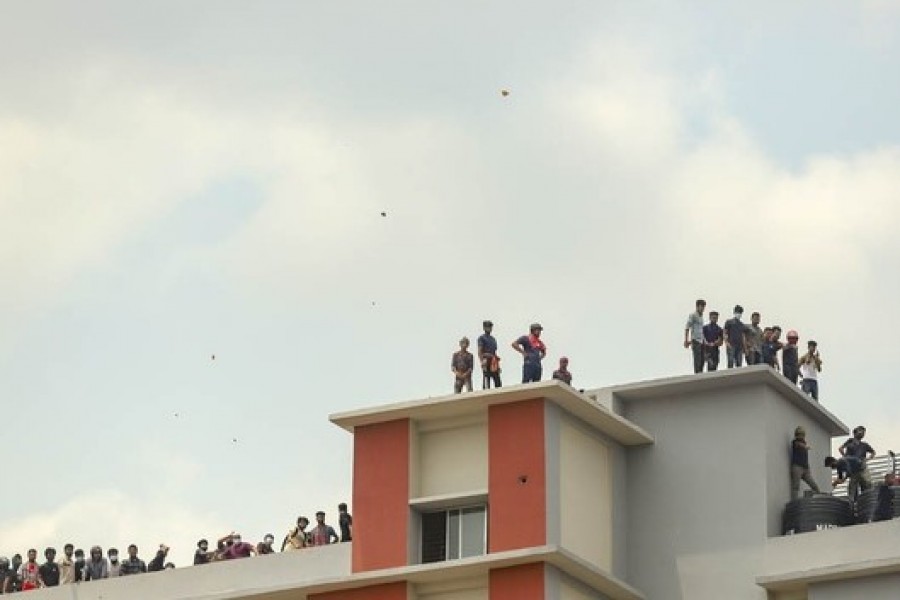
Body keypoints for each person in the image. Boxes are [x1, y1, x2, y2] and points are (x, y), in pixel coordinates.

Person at [839, 426, 875, 500]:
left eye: (863, 432)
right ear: (855, 433)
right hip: (853, 469)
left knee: (866, 485)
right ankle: (853, 503)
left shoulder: (864, 445)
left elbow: (873, 452)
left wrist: (868, 459)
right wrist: (846, 457)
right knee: (853, 488)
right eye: (860, 431)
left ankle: (866, 500)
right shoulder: (850, 441)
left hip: (862, 467)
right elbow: (840, 448)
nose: (862, 433)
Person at [790, 426, 821, 500]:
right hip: (797, 467)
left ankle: (817, 500)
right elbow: (799, 445)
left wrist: (808, 468)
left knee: (814, 486)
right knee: (796, 487)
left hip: (805, 468)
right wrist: (804, 447)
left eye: (801, 434)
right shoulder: (795, 442)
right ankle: (795, 502)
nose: (800, 436)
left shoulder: (804, 442)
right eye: (799, 434)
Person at [684, 299, 707, 373]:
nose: (702, 308)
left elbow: (701, 330)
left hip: (701, 340)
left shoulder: (701, 317)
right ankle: (697, 374)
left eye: (703, 307)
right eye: (701, 306)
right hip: (695, 340)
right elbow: (687, 327)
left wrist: (705, 341)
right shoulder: (693, 315)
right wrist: (686, 340)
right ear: (697, 306)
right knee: (697, 360)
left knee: (702, 359)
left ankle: (700, 373)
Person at [477, 320, 502, 389]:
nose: (489, 328)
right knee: (486, 379)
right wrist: (482, 361)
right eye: (487, 327)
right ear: (484, 328)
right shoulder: (481, 338)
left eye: (490, 327)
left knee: (497, 381)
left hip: (493, 361)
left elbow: (494, 352)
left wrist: (498, 366)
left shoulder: (493, 339)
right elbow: (480, 350)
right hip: (486, 359)